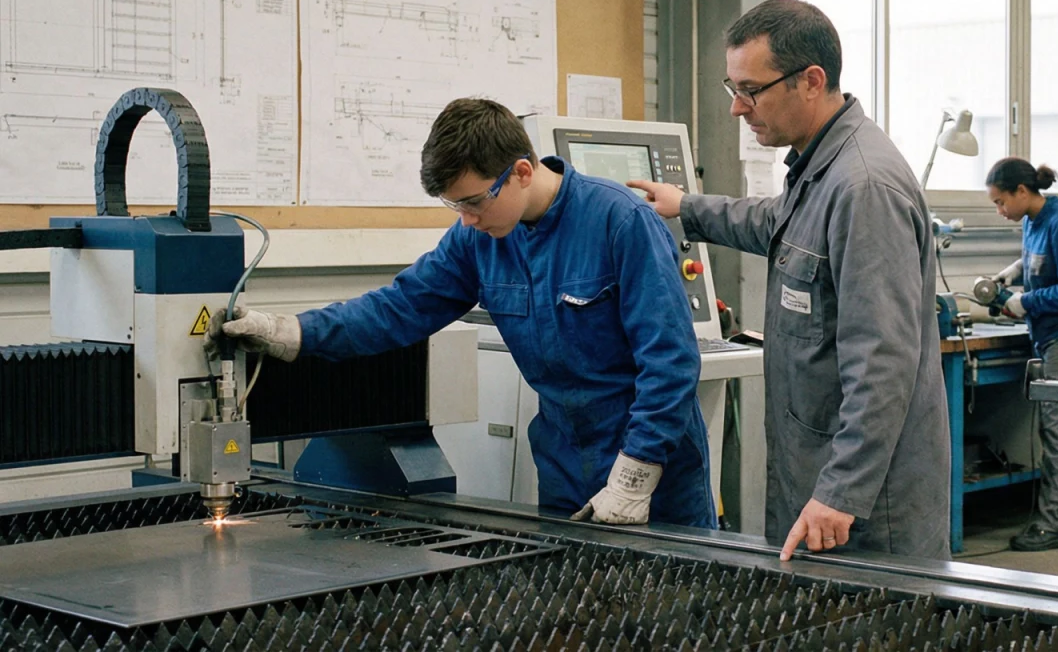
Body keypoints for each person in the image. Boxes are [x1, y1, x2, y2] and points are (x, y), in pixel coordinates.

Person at [216, 98, 715, 529]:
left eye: (475, 202)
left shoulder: (621, 222)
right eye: (455, 206)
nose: (468, 219)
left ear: (522, 172)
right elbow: (400, 306)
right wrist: (293, 331)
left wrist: (635, 474)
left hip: (654, 469)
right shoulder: (478, 238)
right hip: (564, 461)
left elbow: (670, 362)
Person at [630, 0, 950, 562]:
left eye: (751, 90)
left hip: (865, 509)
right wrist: (687, 206)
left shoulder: (863, 188)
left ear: (811, 81)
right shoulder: (819, 167)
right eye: (733, 90)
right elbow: (777, 223)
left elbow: (882, 361)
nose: (738, 108)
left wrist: (841, 491)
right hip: (819, 474)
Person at [985, 157, 1058, 552]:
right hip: (1052, 340)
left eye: (1001, 202)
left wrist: (1026, 302)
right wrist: (1014, 272)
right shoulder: (1034, 221)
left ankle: (1056, 525)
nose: (999, 210)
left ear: (1022, 191)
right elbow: (1041, 259)